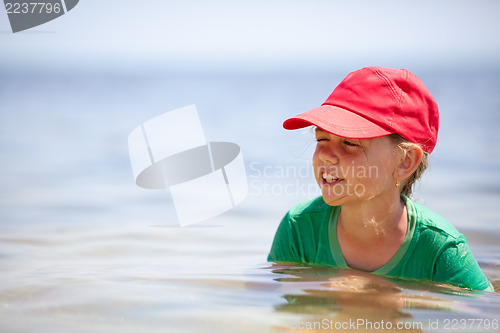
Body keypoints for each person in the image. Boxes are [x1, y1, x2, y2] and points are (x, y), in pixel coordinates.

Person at [267, 66, 493, 291]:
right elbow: (275, 304)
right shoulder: (297, 228)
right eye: (321, 139)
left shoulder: (441, 250)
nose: (325, 154)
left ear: (405, 162)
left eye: (350, 143)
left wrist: (378, 293)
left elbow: (483, 316)